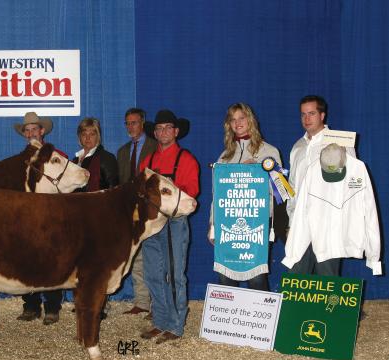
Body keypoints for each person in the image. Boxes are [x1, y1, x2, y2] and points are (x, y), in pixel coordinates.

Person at [139, 110, 199, 344]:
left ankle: (175, 324)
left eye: (167, 128)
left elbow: (191, 193)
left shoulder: (186, 159)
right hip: (151, 224)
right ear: (154, 133)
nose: (163, 132)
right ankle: (160, 321)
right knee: (153, 273)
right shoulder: (147, 162)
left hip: (174, 222)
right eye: (159, 128)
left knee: (174, 274)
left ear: (176, 132)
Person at [209, 103, 282, 290]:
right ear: (229, 125)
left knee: (256, 276)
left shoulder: (269, 152)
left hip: (257, 223)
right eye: (233, 120)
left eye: (241, 118)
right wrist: (213, 225)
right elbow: (217, 195)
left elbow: (280, 190)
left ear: (250, 120)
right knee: (225, 275)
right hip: (227, 224)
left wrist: (257, 171)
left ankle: (260, 309)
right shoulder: (225, 157)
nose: (237, 123)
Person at [286, 95, 356, 275]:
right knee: (296, 278)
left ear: (322, 115)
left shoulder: (340, 141)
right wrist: (291, 222)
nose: (306, 118)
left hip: (328, 224)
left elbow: (353, 182)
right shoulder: (297, 147)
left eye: (311, 113)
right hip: (300, 223)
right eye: (303, 114)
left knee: (327, 278)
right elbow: (292, 188)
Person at [13, 111, 63, 324]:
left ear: (42, 131)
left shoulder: (56, 156)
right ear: (24, 134)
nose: (31, 133)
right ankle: (31, 306)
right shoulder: (20, 160)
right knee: (27, 261)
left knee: (51, 262)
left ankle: (52, 307)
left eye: (35, 129)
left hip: (51, 216)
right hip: (27, 218)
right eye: (27, 130)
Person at [72, 117, 119, 319]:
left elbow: (113, 190)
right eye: (84, 134)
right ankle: (83, 301)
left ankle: (98, 305)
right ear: (79, 137)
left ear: (98, 136)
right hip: (78, 220)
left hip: (99, 220)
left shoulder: (106, 158)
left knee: (98, 265)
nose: (88, 137)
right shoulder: (75, 160)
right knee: (80, 263)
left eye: (92, 133)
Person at [117, 108, 158, 316]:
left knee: (155, 257)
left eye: (134, 122)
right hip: (130, 210)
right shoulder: (123, 151)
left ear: (143, 123)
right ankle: (142, 301)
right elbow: (122, 182)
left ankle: (158, 305)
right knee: (136, 256)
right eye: (127, 123)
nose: (130, 126)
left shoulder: (155, 146)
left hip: (150, 209)